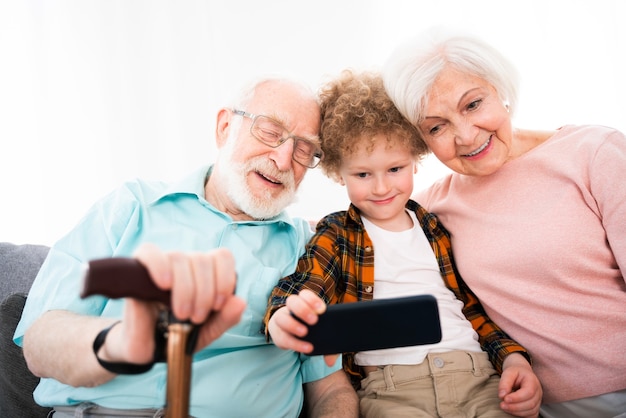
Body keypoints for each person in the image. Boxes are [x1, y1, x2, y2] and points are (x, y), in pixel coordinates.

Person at [13, 76, 359, 418]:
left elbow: (329, 388)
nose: (283, 160)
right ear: (225, 126)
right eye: (270, 132)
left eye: (303, 149)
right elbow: (40, 342)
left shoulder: (309, 247)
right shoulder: (131, 206)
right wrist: (125, 341)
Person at [263, 70, 542, 418]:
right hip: (392, 391)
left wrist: (515, 359)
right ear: (338, 172)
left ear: (415, 160)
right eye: (363, 175)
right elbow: (306, 286)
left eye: (395, 169)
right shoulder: (336, 232)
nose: (381, 188)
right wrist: (284, 315)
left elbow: (470, 308)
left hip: (476, 376)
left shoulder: (436, 226)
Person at [382, 27, 626, 418]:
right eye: (437, 127)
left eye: (473, 104)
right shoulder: (431, 208)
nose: (465, 135)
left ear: (500, 90)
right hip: (527, 407)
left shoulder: (593, 154)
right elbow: (348, 229)